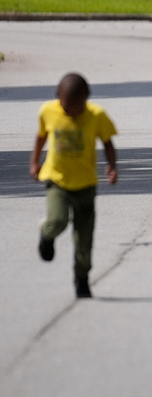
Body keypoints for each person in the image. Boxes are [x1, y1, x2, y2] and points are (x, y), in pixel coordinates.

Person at [30, 73, 118, 299]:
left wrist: (112, 166)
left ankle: (82, 280)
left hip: (86, 184)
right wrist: (34, 162)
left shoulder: (96, 115)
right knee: (58, 220)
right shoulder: (48, 111)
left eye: (76, 108)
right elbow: (41, 137)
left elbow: (108, 142)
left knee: (84, 239)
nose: (71, 112)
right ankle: (47, 233)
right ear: (57, 96)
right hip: (56, 180)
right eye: (66, 107)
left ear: (86, 99)